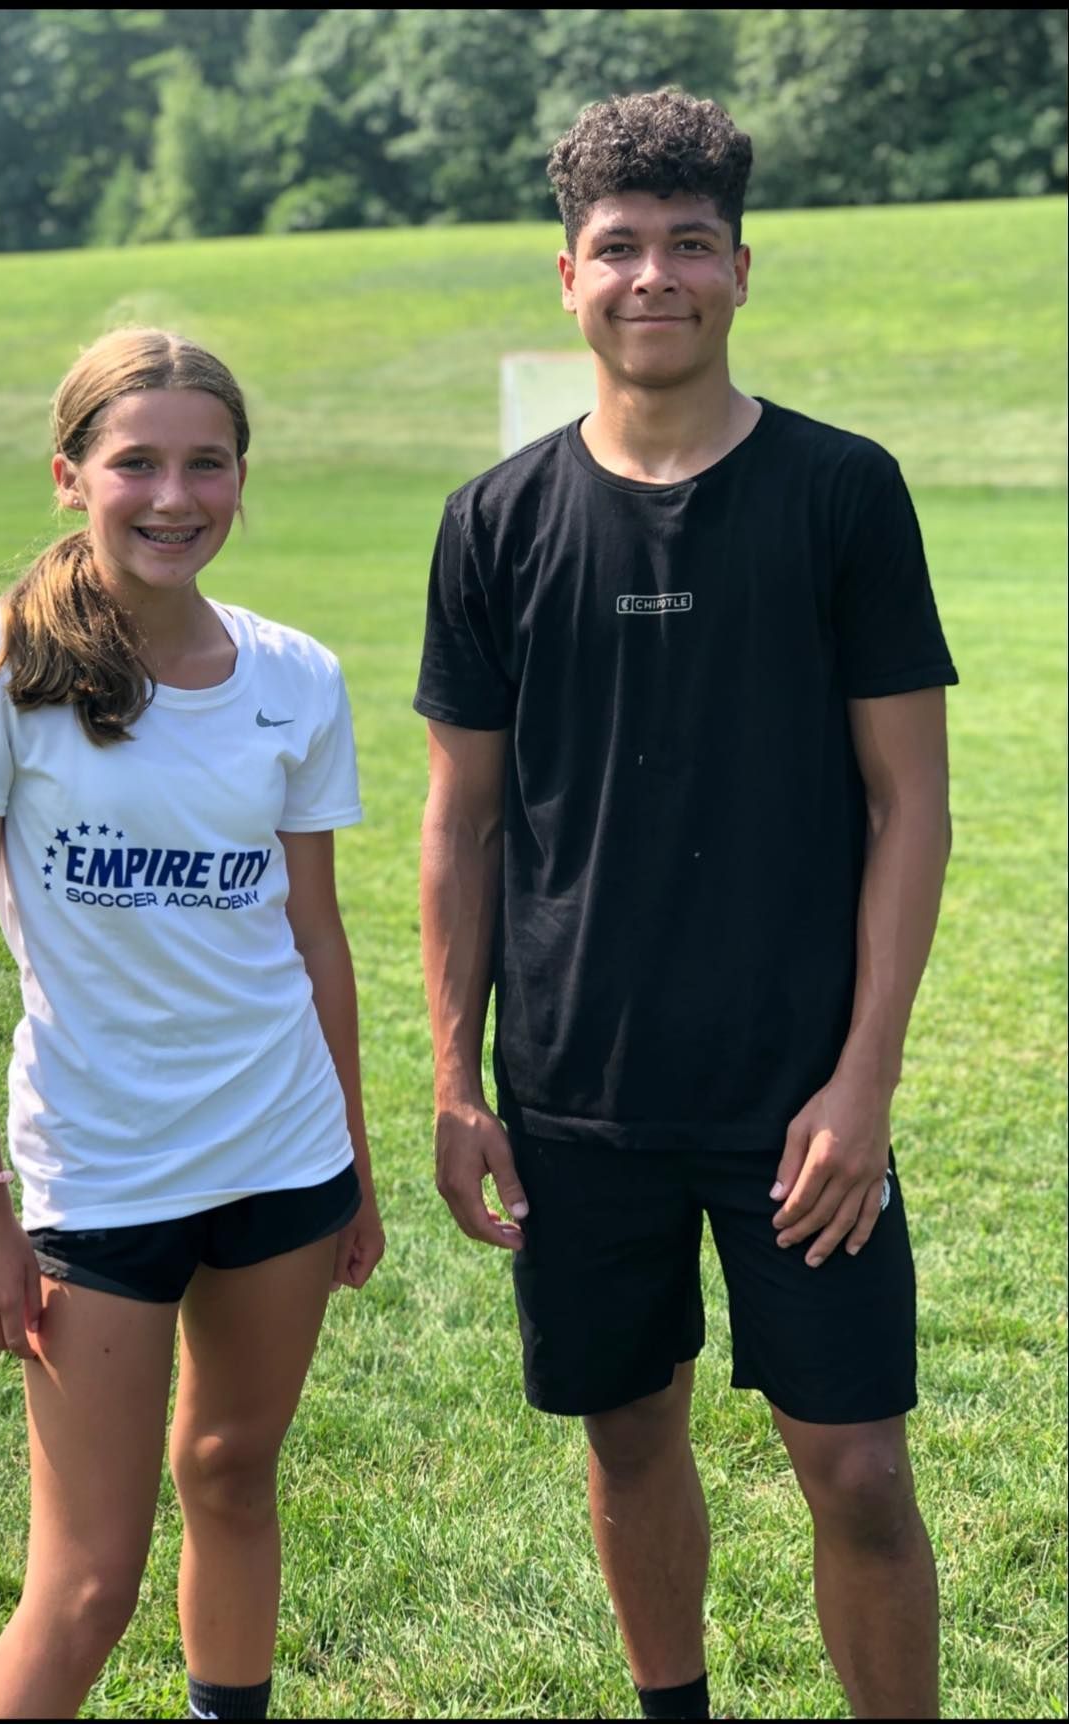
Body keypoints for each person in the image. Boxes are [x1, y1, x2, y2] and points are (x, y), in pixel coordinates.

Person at [416, 90, 954, 1723]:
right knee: (628, 1430)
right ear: (566, 276)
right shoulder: (495, 522)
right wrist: (455, 1077)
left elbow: (908, 803)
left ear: (742, 266)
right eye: (622, 248)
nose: (658, 276)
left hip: (797, 1095)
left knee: (853, 1466)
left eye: (691, 245)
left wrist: (863, 1080)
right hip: (578, 1093)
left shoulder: (843, 492)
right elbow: (467, 822)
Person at [0, 327, 383, 1723]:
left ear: (242, 478)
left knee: (233, 1471)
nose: (175, 495)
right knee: (89, 1582)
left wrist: (355, 1167)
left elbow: (317, 937)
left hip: (285, 1163)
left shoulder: (298, 676)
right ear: (71, 476)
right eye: (138, 462)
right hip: (100, 1177)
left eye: (207, 463)